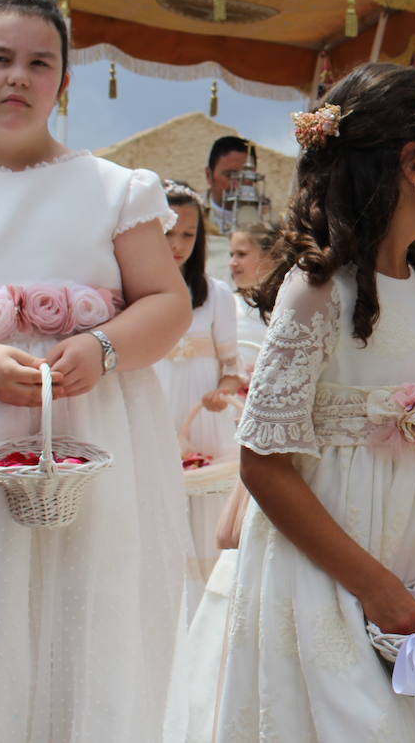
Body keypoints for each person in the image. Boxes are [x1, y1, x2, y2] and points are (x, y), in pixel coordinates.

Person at [216, 64, 415, 740]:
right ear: (412, 164)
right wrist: (372, 584)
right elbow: (263, 464)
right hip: (334, 568)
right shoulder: (316, 292)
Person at [0, 0, 191, 740]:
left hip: (92, 437)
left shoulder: (115, 189)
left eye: (40, 63)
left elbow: (166, 304)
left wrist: (104, 348)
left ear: (63, 83)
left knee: (87, 614)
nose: (17, 78)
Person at [155, 180, 244, 614]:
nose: (177, 244)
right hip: (154, 413)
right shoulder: (137, 295)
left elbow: (233, 371)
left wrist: (220, 394)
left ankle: (204, 612)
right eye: (168, 233)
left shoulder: (215, 296)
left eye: (187, 235)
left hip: (200, 419)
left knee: (203, 512)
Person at [228, 220, 281, 349]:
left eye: (241, 254)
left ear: (271, 255)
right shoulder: (227, 302)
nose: (232, 263)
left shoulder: (290, 304)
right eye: (232, 255)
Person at [203, 135, 249, 234]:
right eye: (229, 175)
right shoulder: (195, 219)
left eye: (245, 177)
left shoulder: (269, 225)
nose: (237, 185)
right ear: (209, 175)